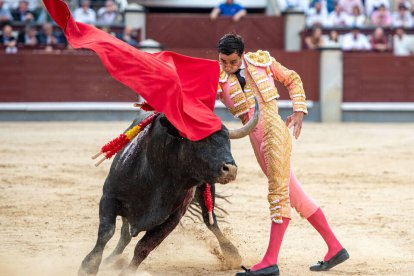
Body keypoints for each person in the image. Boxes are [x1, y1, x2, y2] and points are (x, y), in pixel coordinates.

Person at [216, 33, 349, 276]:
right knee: (294, 194)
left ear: (242, 55)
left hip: (274, 131)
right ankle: (335, 247)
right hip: (255, 138)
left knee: (278, 192)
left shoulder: (261, 62)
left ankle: (270, 261)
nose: (228, 67)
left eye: (233, 62)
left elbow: (292, 78)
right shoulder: (218, 77)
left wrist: (299, 110)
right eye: (223, 61)